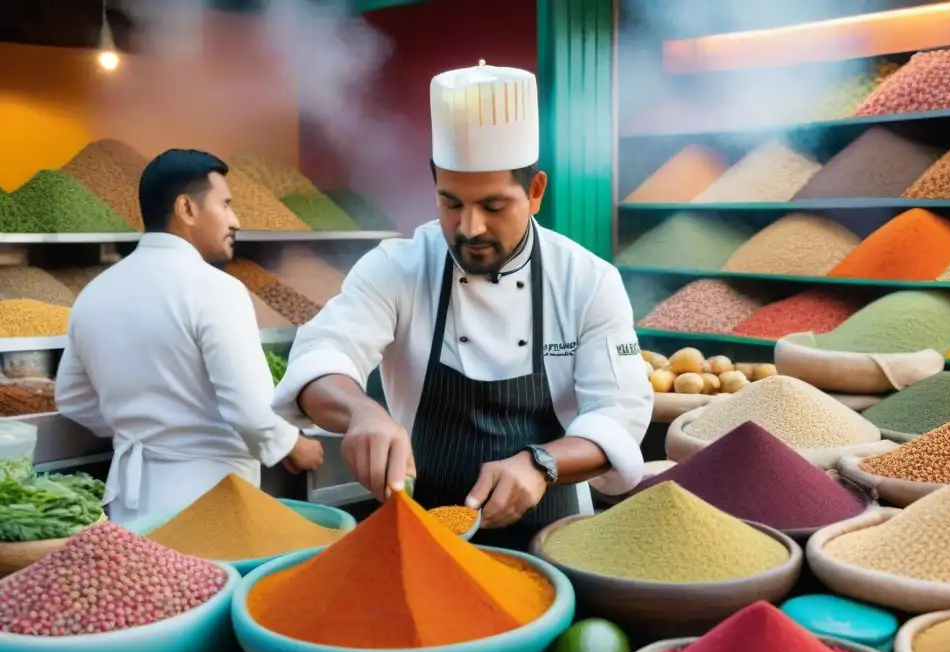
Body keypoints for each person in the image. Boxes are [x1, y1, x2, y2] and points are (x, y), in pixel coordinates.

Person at [273, 62, 652, 550]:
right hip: (423, 540)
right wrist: (361, 411)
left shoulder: (587, 281)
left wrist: (542, 463)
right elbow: (321, 356)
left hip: (553, 540)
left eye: (493, 207)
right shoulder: (397, 267)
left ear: (535, 192)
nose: (469, 227)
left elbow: (618, 413)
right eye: (451, 202)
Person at [55, 149, 324, 524]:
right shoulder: (216, 289)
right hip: (212, 504)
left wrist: (143, 430)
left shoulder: (93, 294)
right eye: (226, 204)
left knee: (145, 585)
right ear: (187, 209)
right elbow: (250, 408)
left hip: (130, 506)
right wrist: (294, 445)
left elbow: (70, 398)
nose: (236, 220)